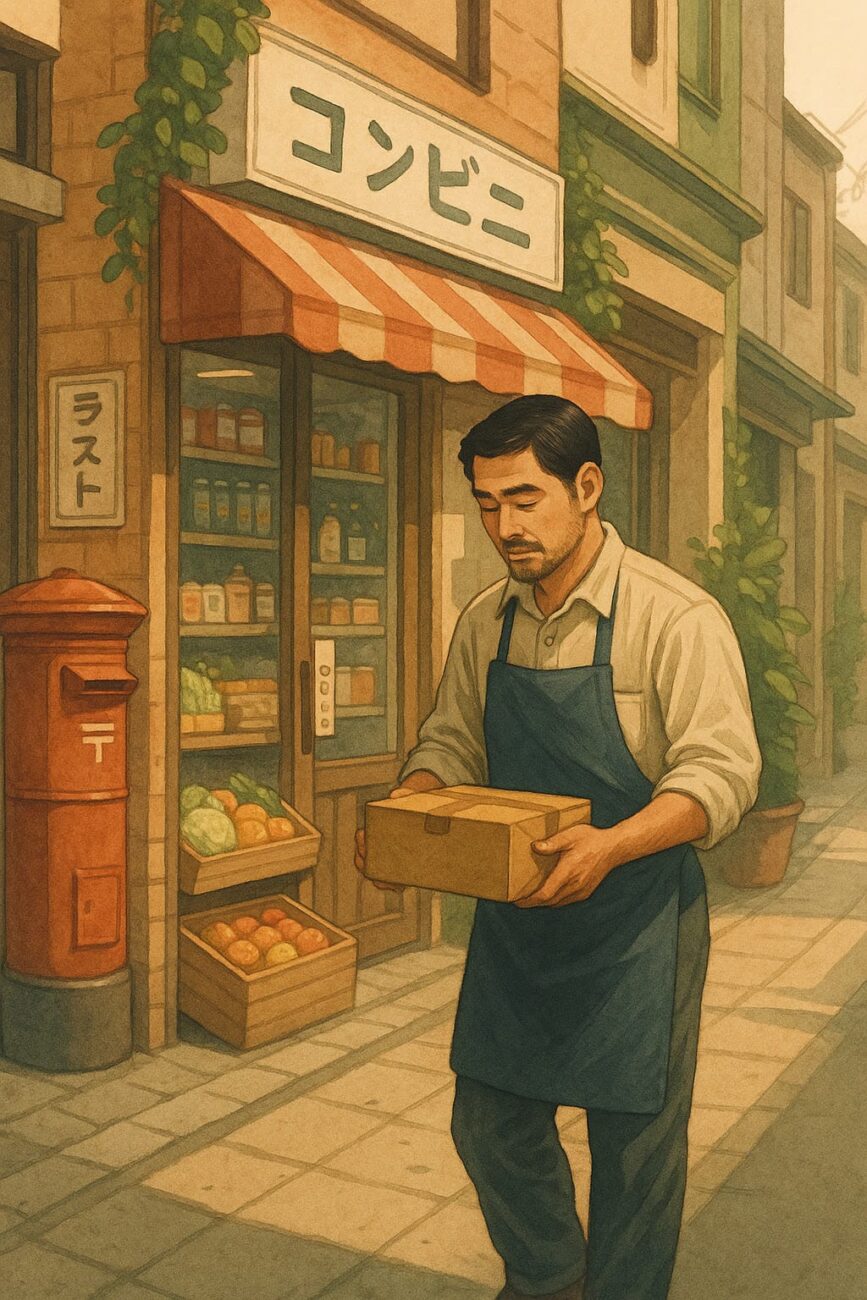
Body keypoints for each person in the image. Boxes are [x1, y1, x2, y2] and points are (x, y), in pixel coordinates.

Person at [355, 394, 761, 1300]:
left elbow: (721, 774)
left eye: (525, 499)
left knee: (634, 1151)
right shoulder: (485, 621)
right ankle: (546, 1281)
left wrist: (611, 847)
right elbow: (450, 743)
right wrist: (409, 809)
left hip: (638, 923)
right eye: (488, 503)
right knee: (489, 1120)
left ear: (586, 487)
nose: (505, 525)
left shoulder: (674, 617)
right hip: (519, 921)